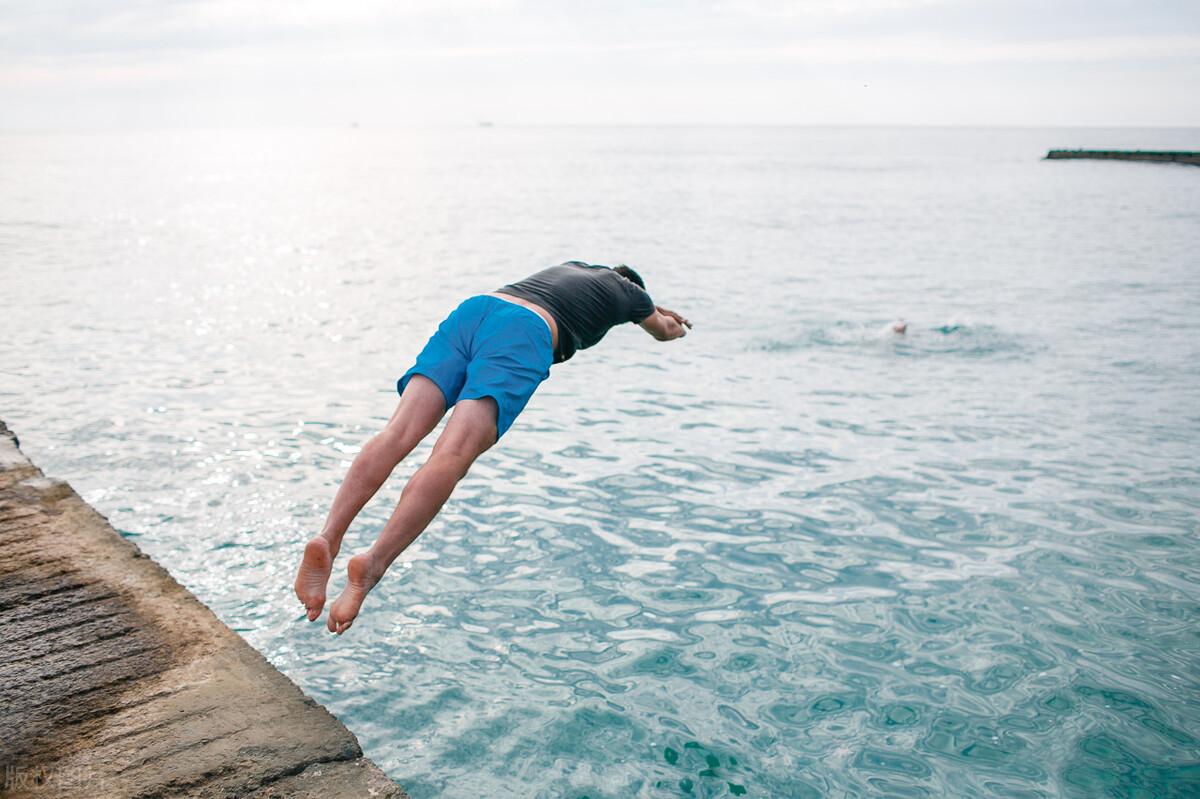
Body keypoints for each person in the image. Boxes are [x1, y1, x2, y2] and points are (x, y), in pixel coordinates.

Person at [294, 261, 691, 633]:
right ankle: (374, 562)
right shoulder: (631, 295)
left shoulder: (577, 269)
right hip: (524, 332)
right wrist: (676, 325)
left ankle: (329, 536)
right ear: (635, 290)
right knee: (451, 455)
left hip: (476, 311)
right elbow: (661, 329)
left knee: (397, 434)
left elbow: (619, 297)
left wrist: (645, 305)